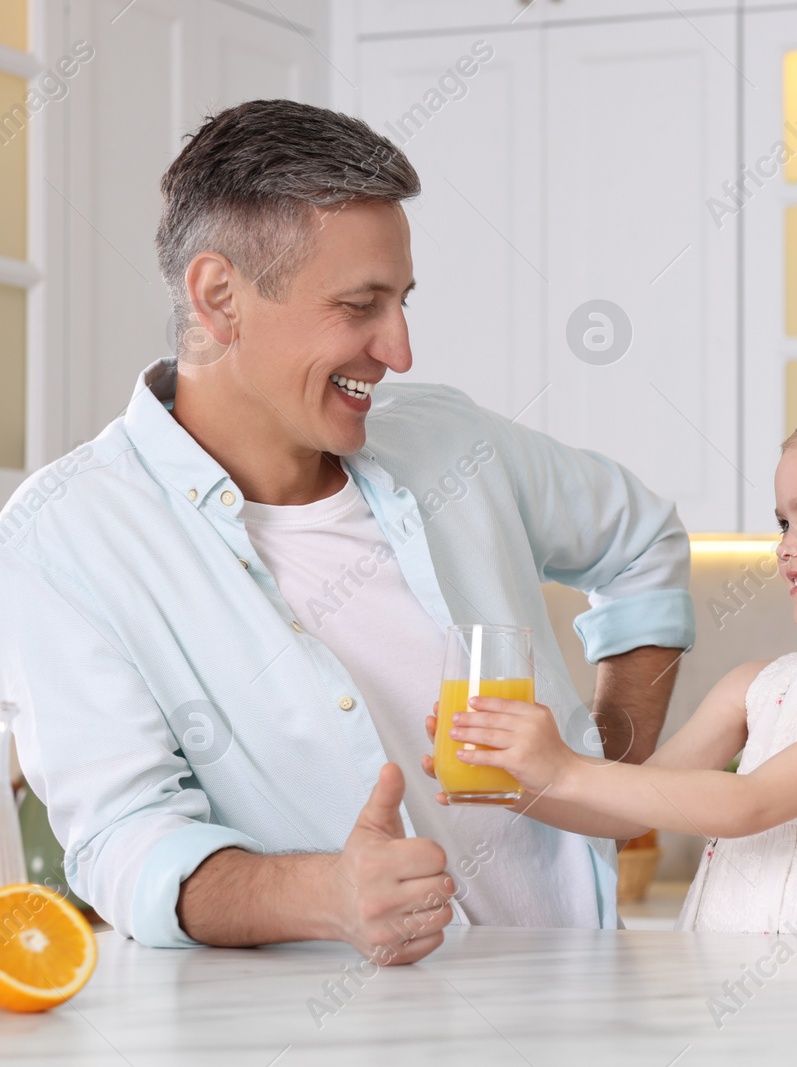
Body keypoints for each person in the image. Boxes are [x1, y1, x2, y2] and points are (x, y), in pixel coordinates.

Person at [0, 100, 693, 965]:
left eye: (401, 301)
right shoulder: (66, 539)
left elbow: (645, 545)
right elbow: (122, 841)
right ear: (220, 297)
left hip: (591, 999)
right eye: (361, 306)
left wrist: (602, 773)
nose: (398, 349)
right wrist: (325, 893)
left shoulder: (454, 441)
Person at [424, 399, 797, 937]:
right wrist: (514, 781)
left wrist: (561, 764)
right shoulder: (755, 687)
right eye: (782, 521)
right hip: (734, 1007)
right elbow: (620, 815)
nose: (785, 545)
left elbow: (750, 803)